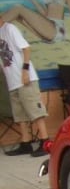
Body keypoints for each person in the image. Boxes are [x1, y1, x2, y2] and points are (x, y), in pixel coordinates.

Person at [0, 14, 50, 157]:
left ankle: (45, 141)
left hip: (24, 78)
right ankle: (26, 142)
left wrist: (25, 70)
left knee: (35, 110)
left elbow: (26, 48)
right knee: (20, 114)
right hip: (12, 81)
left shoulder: (10, 28)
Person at [2, 0, 70, 46]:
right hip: (47, 27)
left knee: (18, 8)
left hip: (57, 30)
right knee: (17, 16)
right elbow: (45, 14)